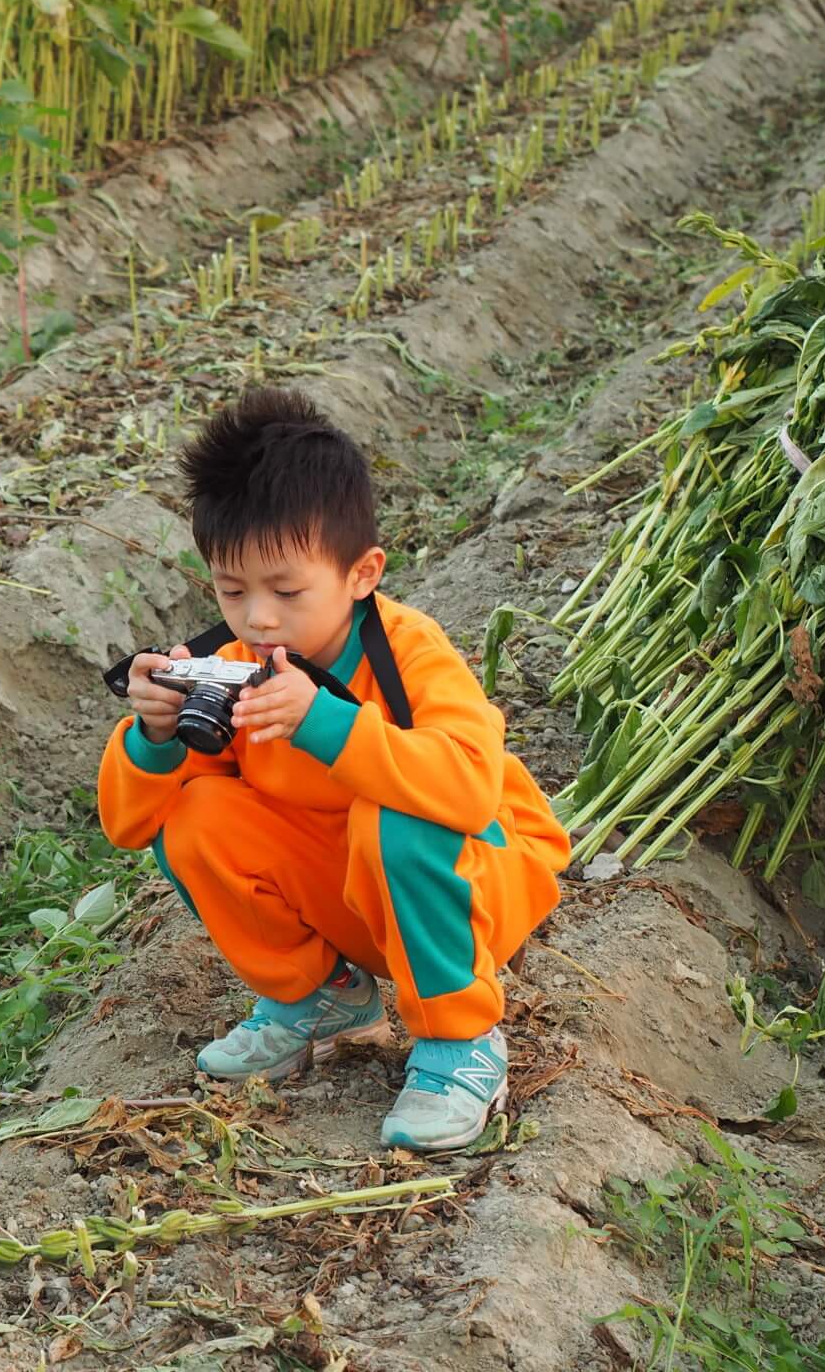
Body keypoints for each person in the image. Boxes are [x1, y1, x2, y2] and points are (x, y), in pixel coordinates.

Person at [96, 386, 572, 1150]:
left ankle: (462, 1039)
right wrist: (154, 735)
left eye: (287, 591)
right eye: (231, 591)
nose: (258, 619)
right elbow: (131, 825)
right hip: (353, 893)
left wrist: (325, 724)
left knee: (396, 813)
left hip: (474, 876)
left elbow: (468, 790)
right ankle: (322, 998)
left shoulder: (411, 650)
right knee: (195, 815)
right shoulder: (234, 664)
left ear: (362, 573)